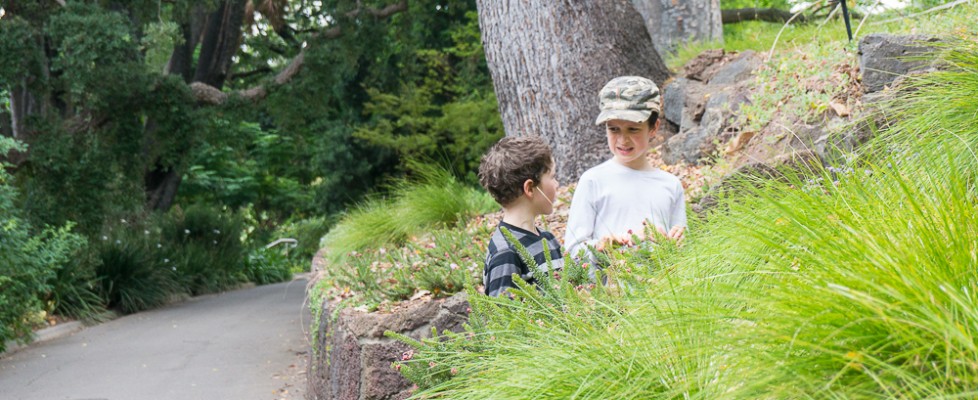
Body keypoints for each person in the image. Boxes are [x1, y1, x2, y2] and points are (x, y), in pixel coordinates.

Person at [564, 76, 687, 267]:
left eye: (633, 129)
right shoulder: (593, 181)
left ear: (653, 128)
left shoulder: (670, 185)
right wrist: (605, 246)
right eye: (614, 129)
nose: (623, 140)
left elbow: (681, 248)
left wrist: (676, 242)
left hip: (661, 289)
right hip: (608, 293)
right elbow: (573, 253)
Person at [478, 136, 563, 297]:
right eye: (552, 177)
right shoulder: (505, 253)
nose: (557, 184)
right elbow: (503, 317)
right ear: (530, 188)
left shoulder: (548, 238)